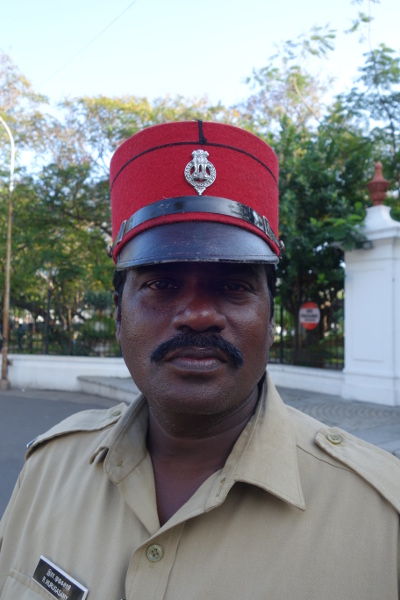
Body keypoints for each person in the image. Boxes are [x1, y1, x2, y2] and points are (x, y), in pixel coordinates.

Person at [0, 121, 399, 600]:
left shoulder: (382, 519)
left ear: (270, 313)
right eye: (161, 284)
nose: (198, 315)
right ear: (118, 314)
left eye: (233, 286)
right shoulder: (47, 472)